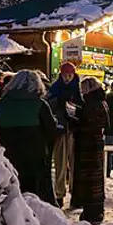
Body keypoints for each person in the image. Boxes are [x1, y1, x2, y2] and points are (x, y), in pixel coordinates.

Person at [0, 70, 57, 205]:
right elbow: (51, 129)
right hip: (35, 158)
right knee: (35, 197)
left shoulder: (1, 105)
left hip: (8, 158)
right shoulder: (40, 105)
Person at [71, 77, 109, 224]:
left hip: (88, 145)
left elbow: (90, 125)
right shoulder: (100, 101)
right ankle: (95, 209)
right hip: (95, 144)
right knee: (95, 177)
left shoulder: (91, 104)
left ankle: (92, 211)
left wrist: (75, 123)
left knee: (89, 178)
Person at [48, 62, 82, 208]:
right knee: (60, 164)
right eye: (65, 75)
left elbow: (82, 107)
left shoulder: (78, 89)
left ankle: (75, 192)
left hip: (74, 130)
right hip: (61, 130)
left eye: (70, 75)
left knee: (75, 164)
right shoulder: (55, 89)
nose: (67, 78)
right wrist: (59, 102)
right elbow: (48, 105)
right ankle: (59, 194)